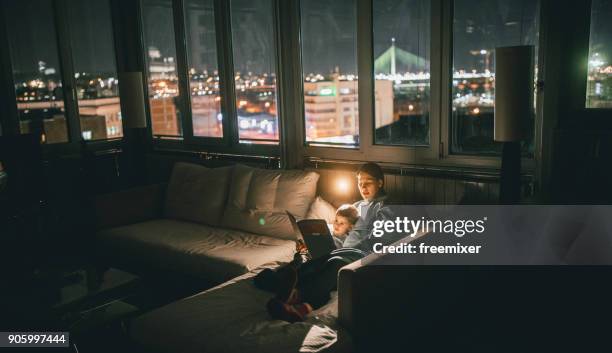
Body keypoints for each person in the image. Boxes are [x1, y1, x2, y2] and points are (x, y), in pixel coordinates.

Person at [261, 162, 394, 322]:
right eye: (360, 183)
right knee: (310, 260)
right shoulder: (356, 206)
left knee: (335, 263)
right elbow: (343, 232)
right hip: (342, 249)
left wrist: (344, 249)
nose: (363, 187)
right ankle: (283, 283)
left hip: (361, 254)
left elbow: (379, 239)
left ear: (380, 182)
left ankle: (297, 300)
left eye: (368, 182)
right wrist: (319, 242)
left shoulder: (385, 208)